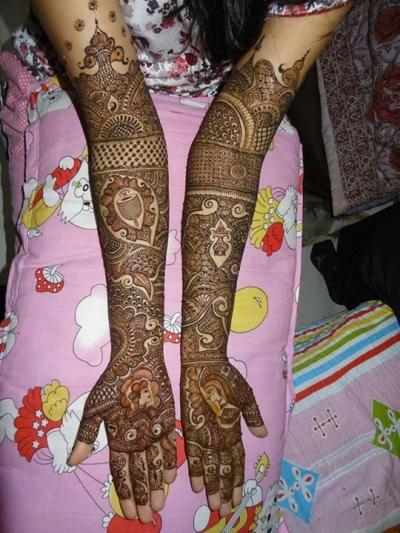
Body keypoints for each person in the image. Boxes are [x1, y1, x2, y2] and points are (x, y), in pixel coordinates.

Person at [1, 0, 354, 530]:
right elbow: (120, 124)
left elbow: (242, 128)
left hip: (233, 106)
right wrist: (138, 353)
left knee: (235, 422)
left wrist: (206, 352)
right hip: (78, 84)